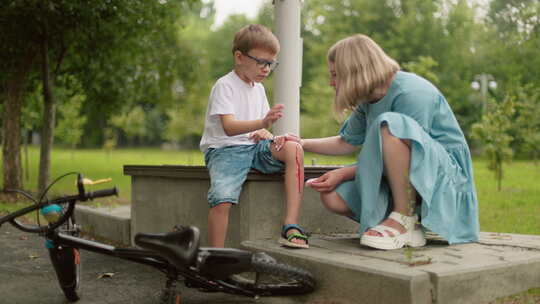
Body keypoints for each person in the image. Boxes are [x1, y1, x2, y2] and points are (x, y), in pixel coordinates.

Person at [301, 34, 479, 250]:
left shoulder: (412, 92)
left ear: (355, 71)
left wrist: (343, 173)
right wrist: (300, 143)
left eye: (335, 75)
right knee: (332, 197)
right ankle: (402, 226)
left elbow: (415, 157)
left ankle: (404, 219)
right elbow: (345, 143)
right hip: (406, 175)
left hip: (444, 176)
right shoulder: (369, 98)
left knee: (390, 125)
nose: (332, 83)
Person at [199, 24, 308, 249]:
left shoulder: (257, 88)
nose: (266, 69)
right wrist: (262, 123)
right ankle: (215, 255)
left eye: (271, 64)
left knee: (293, 147)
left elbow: (261, 129)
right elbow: (229, 127)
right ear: (239, 57)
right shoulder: (224, 86)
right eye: (261, 62)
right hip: (225, 150)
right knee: (222, 198)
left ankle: (291, 224)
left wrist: (268, 134)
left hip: (253, 149)